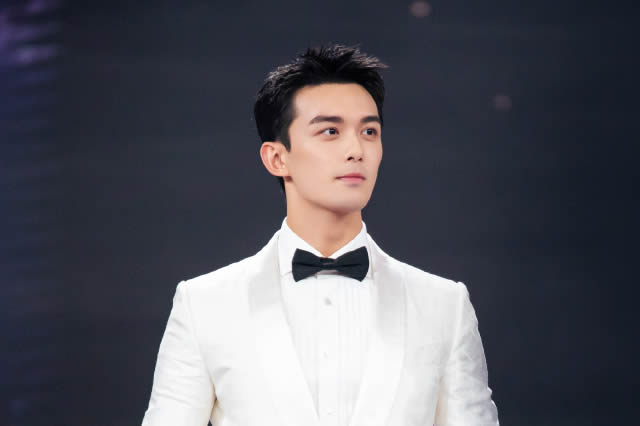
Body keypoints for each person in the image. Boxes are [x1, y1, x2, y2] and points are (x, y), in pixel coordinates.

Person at [141, 43, 499, 426]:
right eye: (331, 131)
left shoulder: (444, 306)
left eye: (369, 131)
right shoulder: (205, 305)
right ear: (277, 158)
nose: (356, 149)